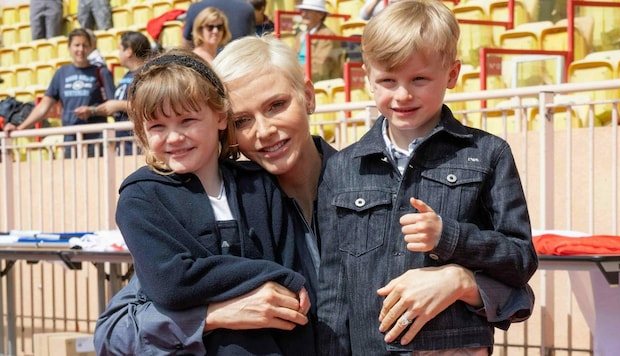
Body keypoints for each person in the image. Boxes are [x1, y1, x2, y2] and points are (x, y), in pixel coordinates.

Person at [93, 36, 534, 355]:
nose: (264, 132)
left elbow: (517, 292)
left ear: (308, 96)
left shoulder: (384, 178)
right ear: (224, 124)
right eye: (243, 120)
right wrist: (215, 314)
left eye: (276, 105)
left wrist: (461, 283)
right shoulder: (218, 209)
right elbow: (114, 330)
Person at [316, 1, 538, 355]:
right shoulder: (342, 168)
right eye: (388, 81)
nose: (403, 94)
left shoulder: (489, 154)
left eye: (419, 79)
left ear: (451, 74)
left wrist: (449, 237)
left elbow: (521, 259)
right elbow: (334, 288)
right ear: (367, 77)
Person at [107, 48, 317, 355]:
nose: (174, 137)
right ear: (142, 132)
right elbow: (171, 284)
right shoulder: (140, 198)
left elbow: (292, 296)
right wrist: (270, 276)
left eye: (187, 120)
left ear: (220, 117)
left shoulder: (259, 185)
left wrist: (281, 281)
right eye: (157, 127)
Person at [3, 28, 115, 158]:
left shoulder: (101, 72)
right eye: (77, 45)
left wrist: (92, 111)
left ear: (91, 48)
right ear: (69, 47)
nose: (81, 50)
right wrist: (20, 128)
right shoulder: (62, 73)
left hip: (96, 138)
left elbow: (113, 106)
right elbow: (43, 107)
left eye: (85, 45)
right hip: (70, 139)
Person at [95, 31, 152, 156]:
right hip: (124, 142)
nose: (118, 54)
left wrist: (118, 105)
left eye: (120, 49)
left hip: (138, 142)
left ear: (128, 51)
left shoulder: (148, 74)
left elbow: (150, 105)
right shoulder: (128, 74)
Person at [293, 0, 343, 82]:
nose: (304, 14)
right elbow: (292, 57)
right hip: (299, 78)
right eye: (303, 10)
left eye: (308, 11)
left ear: (321, 14)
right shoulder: (300, 35)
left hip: (319, 82)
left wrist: (294, 72)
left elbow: (320, 67)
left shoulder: (328, 36)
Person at [181, 0, 255, 49]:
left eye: (219, 27)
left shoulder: (195, 7)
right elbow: (251, 42)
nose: (215, 31)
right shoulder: (247, 8)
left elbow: (186, 43)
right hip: (237, 65)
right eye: (210, 27)